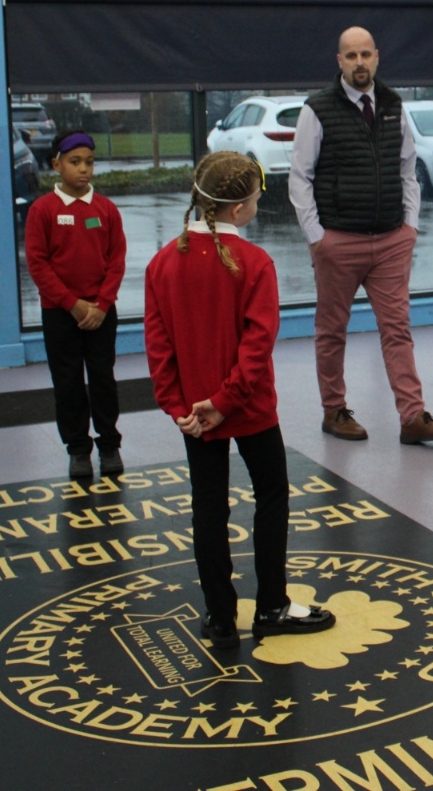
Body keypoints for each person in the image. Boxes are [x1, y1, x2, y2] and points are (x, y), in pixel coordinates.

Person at [144, 151, 336, 650]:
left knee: (207, 506)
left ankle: (220, 615)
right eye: (255, 198)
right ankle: (271, 604)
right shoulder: (255, 263)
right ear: (238, 209)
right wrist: (226, 400)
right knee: (271, 495)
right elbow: (257, 345)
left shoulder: (162, 263)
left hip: (194, 415)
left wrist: (180, 407)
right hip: (249, 408)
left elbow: (158, 346)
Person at [288, 25, 433, 446]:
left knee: (397, 329)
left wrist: (410, 226)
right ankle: (334, 410)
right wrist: (317, 237)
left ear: (377, 57)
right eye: (351, 56)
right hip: (338, 242)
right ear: (339, 61)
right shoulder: (317, 109)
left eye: (366, 54)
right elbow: (299, 177)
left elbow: (407, 171)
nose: (359, 63)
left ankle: (412, 417)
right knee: (332, 331)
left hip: (390, 241)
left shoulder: (393, 105)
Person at [24, 130, 127, 480]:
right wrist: (73, 305)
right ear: (57, 165)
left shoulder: (106, 209)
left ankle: (109, 444)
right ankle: (78, 449)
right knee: (67, 382)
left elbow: (116, 260)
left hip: (101, 314)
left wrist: (101, 305)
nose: (84, 169)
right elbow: (38, 265)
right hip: (61, 315)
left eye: (89, 162)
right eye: (75, 162)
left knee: (102, 379)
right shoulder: (42, 211)